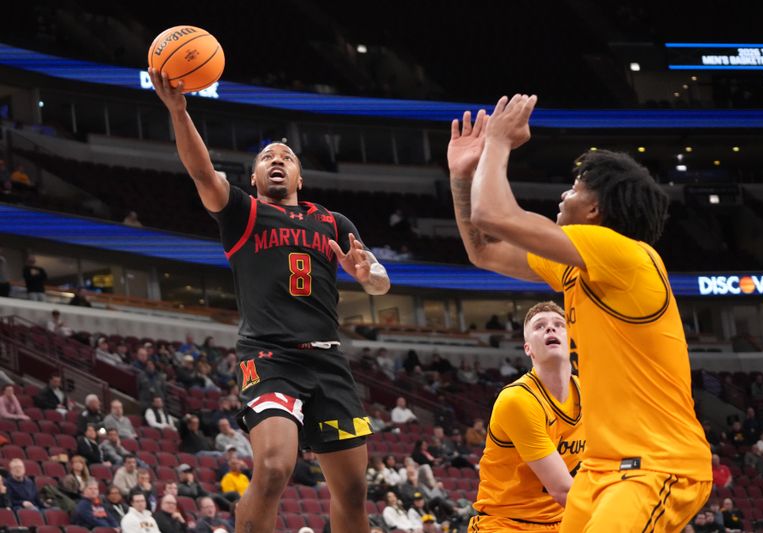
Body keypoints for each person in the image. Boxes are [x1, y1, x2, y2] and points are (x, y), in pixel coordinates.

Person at [448, 97, 711, 531]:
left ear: (594, 210)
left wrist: (497, 142)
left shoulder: (623, 254)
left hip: (655, 465)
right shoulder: (578, 267)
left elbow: (493, 214)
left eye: (574, 188)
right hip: (599, 470)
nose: (563, 195)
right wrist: (462, 176)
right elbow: (485, 251)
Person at [150, 67, 391, 533]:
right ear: (255, 176)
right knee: (276, 467)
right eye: (266, 157)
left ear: (300, 175)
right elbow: (201, 172)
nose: (277, 160)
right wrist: (180, 112)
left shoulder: (333, 220)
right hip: (270, 354)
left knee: (354, 492)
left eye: (286, 156)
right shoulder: (243, 212)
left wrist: (370, 276)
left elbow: (380, 282)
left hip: (328, 361)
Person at [467, 302, 584, 531]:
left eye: (559, 325)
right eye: (540, 326)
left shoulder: (589, 393)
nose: (551, 329)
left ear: (571, 340)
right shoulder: (517, 399)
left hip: (563, 521)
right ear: (527, 348)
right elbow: (563, 490)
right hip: (507, 524)